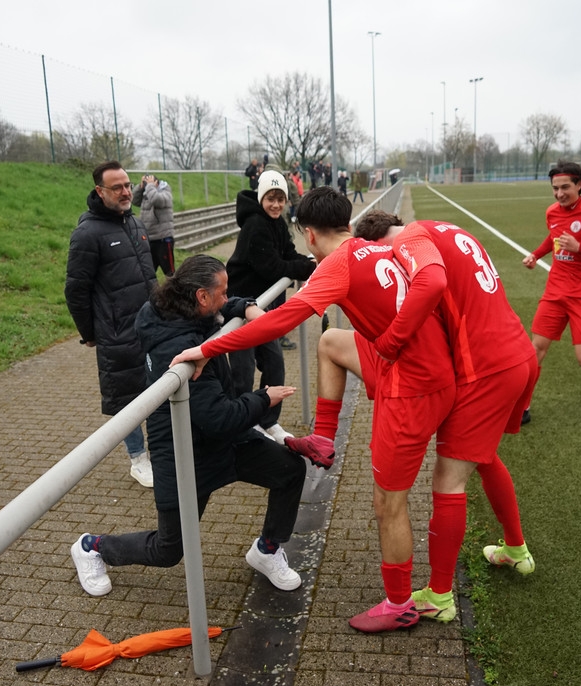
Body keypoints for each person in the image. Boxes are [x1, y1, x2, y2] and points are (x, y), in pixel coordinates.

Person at [171, 187, 458, 632]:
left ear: (308, 234)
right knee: (331, 341)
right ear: (348, 222)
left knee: (388, 502)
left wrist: (207, 347)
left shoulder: (336, 265)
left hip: (411, 389)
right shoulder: (373, 247)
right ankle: (323, 435)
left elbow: (278, 322)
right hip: (435, 372)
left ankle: (400, 603)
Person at [70, 255, 307, 597]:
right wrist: (263, 398)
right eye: (222, 293)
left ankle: (267, 551)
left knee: (289, 470)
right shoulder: (176, 345)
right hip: (185, 454)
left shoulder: (181, 307)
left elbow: (224, 308)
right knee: (167, 550)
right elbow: (219, 417)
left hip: (223, 440)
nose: (226, 299)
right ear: (201, 296)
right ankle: (92, 547)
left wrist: (247, 305)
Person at [354, 212, 538, 622]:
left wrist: (390, 341)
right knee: (484, 456)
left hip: (485, 369)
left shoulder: (407, 243)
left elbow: (430, 287)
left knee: (448, 481)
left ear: (382, 244)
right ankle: (515, 549)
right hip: (518, 354)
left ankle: (438, 596)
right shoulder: (445, 228)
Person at [65, 160, 157, 488]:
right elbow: (75, 289)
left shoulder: (134, 223)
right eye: (116, 187)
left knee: (158, 387)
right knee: (127, 398)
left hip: (149, 325)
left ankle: (159, 451)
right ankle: (138, 458)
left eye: (128, 185)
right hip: (116, 332)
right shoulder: (87, 233)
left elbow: (148, 276)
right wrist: (90, 334)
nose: (125, 192)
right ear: (99, 191)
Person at [521, 160, 581, 423]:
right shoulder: (552, 212)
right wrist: (536, 254)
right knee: (536, 350)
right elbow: (553, 236)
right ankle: (523, 408)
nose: (559, 194)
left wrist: (580, 248)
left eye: (565, 187)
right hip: (555, 291)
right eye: (555, 188)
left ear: (579, 184)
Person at [226, 169, 316, 443]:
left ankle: (268, 421)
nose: (276, 204)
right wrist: (303, 267)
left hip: (263, 310)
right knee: (242, 372)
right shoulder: (255, 224)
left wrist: (310, 264)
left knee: (275, 363)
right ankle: (242, 424)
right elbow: (270, 267)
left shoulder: (276, 223)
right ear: (261, 197)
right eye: (270, 198)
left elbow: (287, 253)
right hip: (240, 309)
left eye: (280, 199)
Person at [131, 173, 176, 276]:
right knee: (148, 272)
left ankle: (175, 291)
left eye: (149, 182)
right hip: (149, 239)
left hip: (163, 239)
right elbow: (134, 200)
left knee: (170, 273)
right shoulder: (147, 193)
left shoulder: (165, 192)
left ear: (156, 182)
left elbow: (156, 200)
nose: (147, 185)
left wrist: (150, 186)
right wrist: (141, 187)